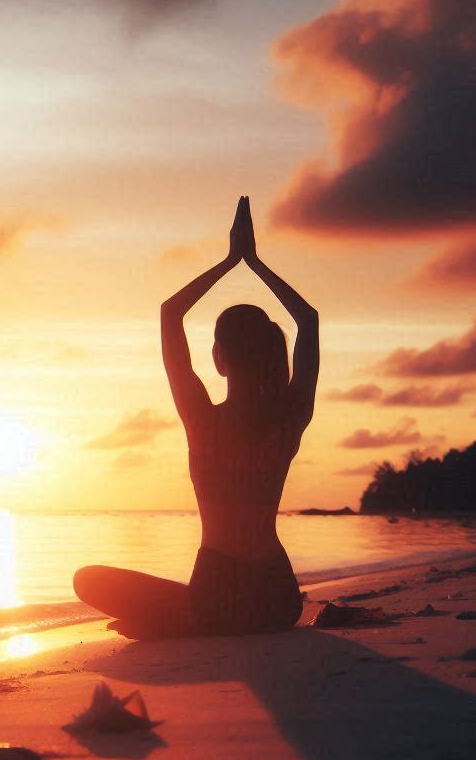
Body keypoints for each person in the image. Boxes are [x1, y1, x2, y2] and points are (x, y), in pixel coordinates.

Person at [73, 196, 319, 638]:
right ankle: (180, 618)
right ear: (268, 355)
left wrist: (231, 260)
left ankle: (183, 620)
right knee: (184, 604)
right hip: (280, 600)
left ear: (219, 358)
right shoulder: (289, 418)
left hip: (217, 594)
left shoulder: (203, 421)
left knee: (87, 580)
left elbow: (170, 313)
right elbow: (308, 320)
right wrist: (255, 264)